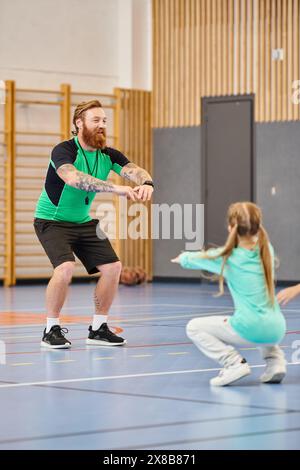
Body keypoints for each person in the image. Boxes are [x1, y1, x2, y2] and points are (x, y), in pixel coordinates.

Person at [34, 100, 154, 349]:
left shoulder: (108, 155)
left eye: (104, 121)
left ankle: (99, 328)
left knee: (113, 268)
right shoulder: (64, 150)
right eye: (96, 120)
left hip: (83, 222)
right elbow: (73, 178)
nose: (102, 126)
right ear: (79, 123)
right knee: (65, 268)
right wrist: (116, 189)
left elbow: (135, 170)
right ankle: (50, 329)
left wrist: (146, 184)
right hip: (51, 221)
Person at [171, 202, 286, 387]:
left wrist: (183, 258)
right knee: (262, 324)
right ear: (258, 226)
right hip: (277, 328)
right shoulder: (267, 250)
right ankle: (276, 361)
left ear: (231, 227)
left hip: (249, 327)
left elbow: (199, 258)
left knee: (194, 327)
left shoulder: (228, 257)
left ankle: (233, 363)